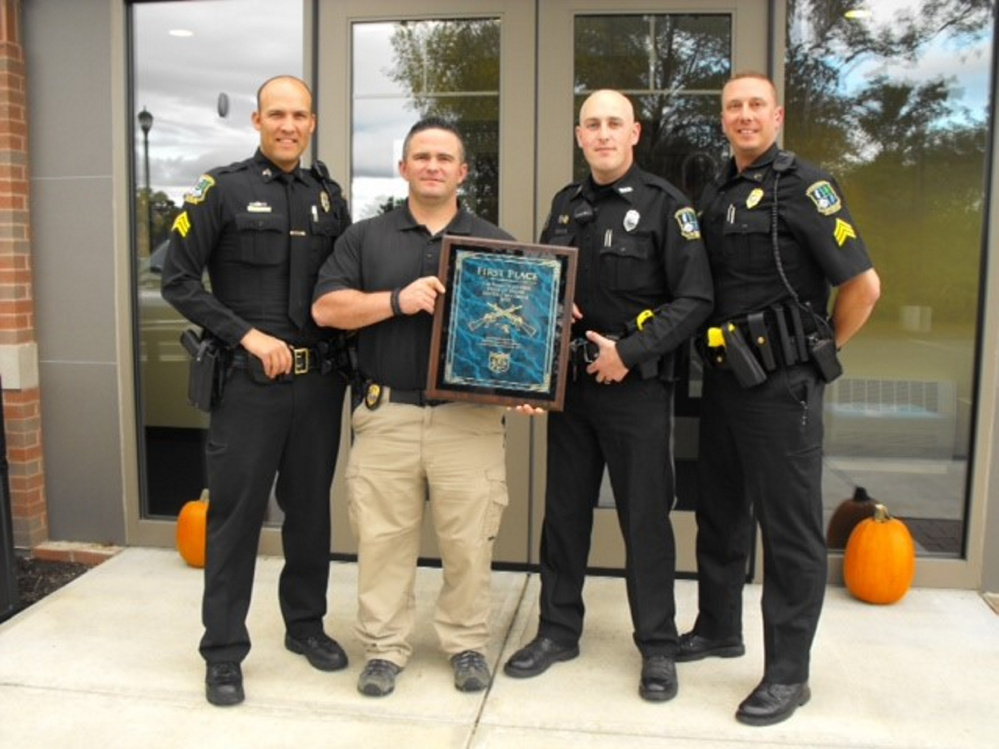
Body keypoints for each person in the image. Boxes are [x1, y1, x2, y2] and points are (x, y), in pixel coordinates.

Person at [682, 72, 881, 726]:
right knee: (718, 509)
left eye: (753, 106)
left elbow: (862, 286)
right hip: (723, 378)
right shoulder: (716, 189)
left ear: (776, 115)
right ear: (723, 118)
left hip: (781, 387)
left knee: (789, 532)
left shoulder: (804, 187)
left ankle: (788, 674)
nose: (743, 116)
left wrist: (818, 354)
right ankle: (717, 627)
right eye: (732, 107)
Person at [502, 89, 713, 702]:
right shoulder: (566, 205)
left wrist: (632, 351)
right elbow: (546, 279)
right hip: (572, 390)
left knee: (644, 520)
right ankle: (558, 631)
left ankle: (657, 646)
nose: (602, 134)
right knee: (562, 515)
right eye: (592, 124)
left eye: (613, 123)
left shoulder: (666, 207)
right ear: (579, 135)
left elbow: (695, 299)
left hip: (636, 394)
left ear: (634, 133)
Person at [161, 75, 351, 707]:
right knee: (235, 519)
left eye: (299, 115)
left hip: (319, 385)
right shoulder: (224, 189)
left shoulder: (330, 197)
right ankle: (222, 652)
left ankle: (305, 627)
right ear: (257, 120)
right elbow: (178, 280)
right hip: (248, 387)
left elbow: (343, 287)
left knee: (311, 515)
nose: (288, 125)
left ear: (312, 122)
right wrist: (245, 336)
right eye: (277, 114)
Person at [312, 117, 515, 698]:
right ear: (403, 168)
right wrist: (396, 301)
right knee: (382, 543)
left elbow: (524, 330)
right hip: (387, 417)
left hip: (469, 423)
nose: (432, 166)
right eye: (420, 156)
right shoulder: (364, 238)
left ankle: (466, 643)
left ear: (462, 172)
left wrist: (527, 384)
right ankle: (384, 648)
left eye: (444, 157)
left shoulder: (495, 244)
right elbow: (327, 309)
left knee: (470, 543)